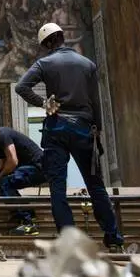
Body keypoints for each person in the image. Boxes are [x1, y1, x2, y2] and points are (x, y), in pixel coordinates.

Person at [15, 23, 124, 251]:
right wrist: (97, 128)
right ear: (62, 37)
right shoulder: (87, 64)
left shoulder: (45, 63)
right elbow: (95, 100)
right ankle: (113, 239)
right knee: (96, 185)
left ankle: (69, 242)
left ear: (46, 44)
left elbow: (21, 87)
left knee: (57, 187)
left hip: (57, 128)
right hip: (84, 128)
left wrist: (43, 103)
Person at [0, 109, 45, 236]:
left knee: (4, 183)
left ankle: (28, 223)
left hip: (39, 168)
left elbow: (13, 161)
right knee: (3, 182)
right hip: (34, 168)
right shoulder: (0, 139)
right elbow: (3, 167)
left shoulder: (3, 134)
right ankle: (27, 214)